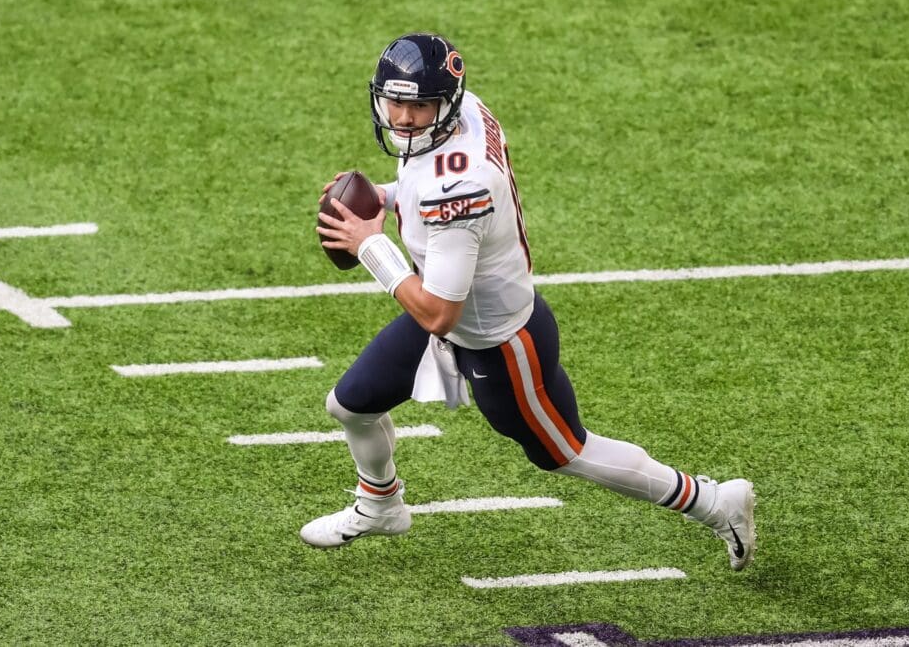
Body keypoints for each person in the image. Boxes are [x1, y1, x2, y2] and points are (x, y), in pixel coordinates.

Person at [304, 32, 757, 570]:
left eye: (418, 105)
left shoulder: (457, 187)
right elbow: (428, 186)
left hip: (498, 340)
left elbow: (437, 311)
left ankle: (713, 503)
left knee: (565, 452)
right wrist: (385, 195)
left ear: (443, 104)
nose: (402, 118)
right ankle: (380, 503)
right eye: (394, 101)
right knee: (351, 405)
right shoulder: (461, 113)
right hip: (454, 313)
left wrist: (370, 244)